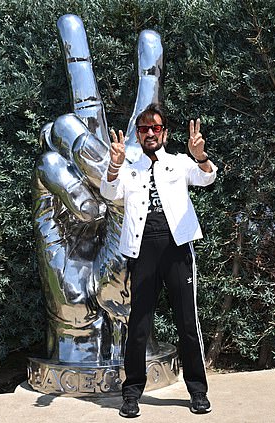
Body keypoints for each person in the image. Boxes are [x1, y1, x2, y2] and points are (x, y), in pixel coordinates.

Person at [100, 103, 217, 418]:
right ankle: (131, 394)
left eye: (155, 128)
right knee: (138, 325)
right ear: (138, 134)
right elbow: (109, 192)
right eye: (144, 129)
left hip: (177, 249)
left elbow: (207, 178)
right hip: (142, 251)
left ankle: (198, 392)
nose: (149, 133)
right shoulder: (128, 166)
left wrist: (200, 155)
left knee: (187, 323)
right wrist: (113, 165)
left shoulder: (179, 162)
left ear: (164, 132)